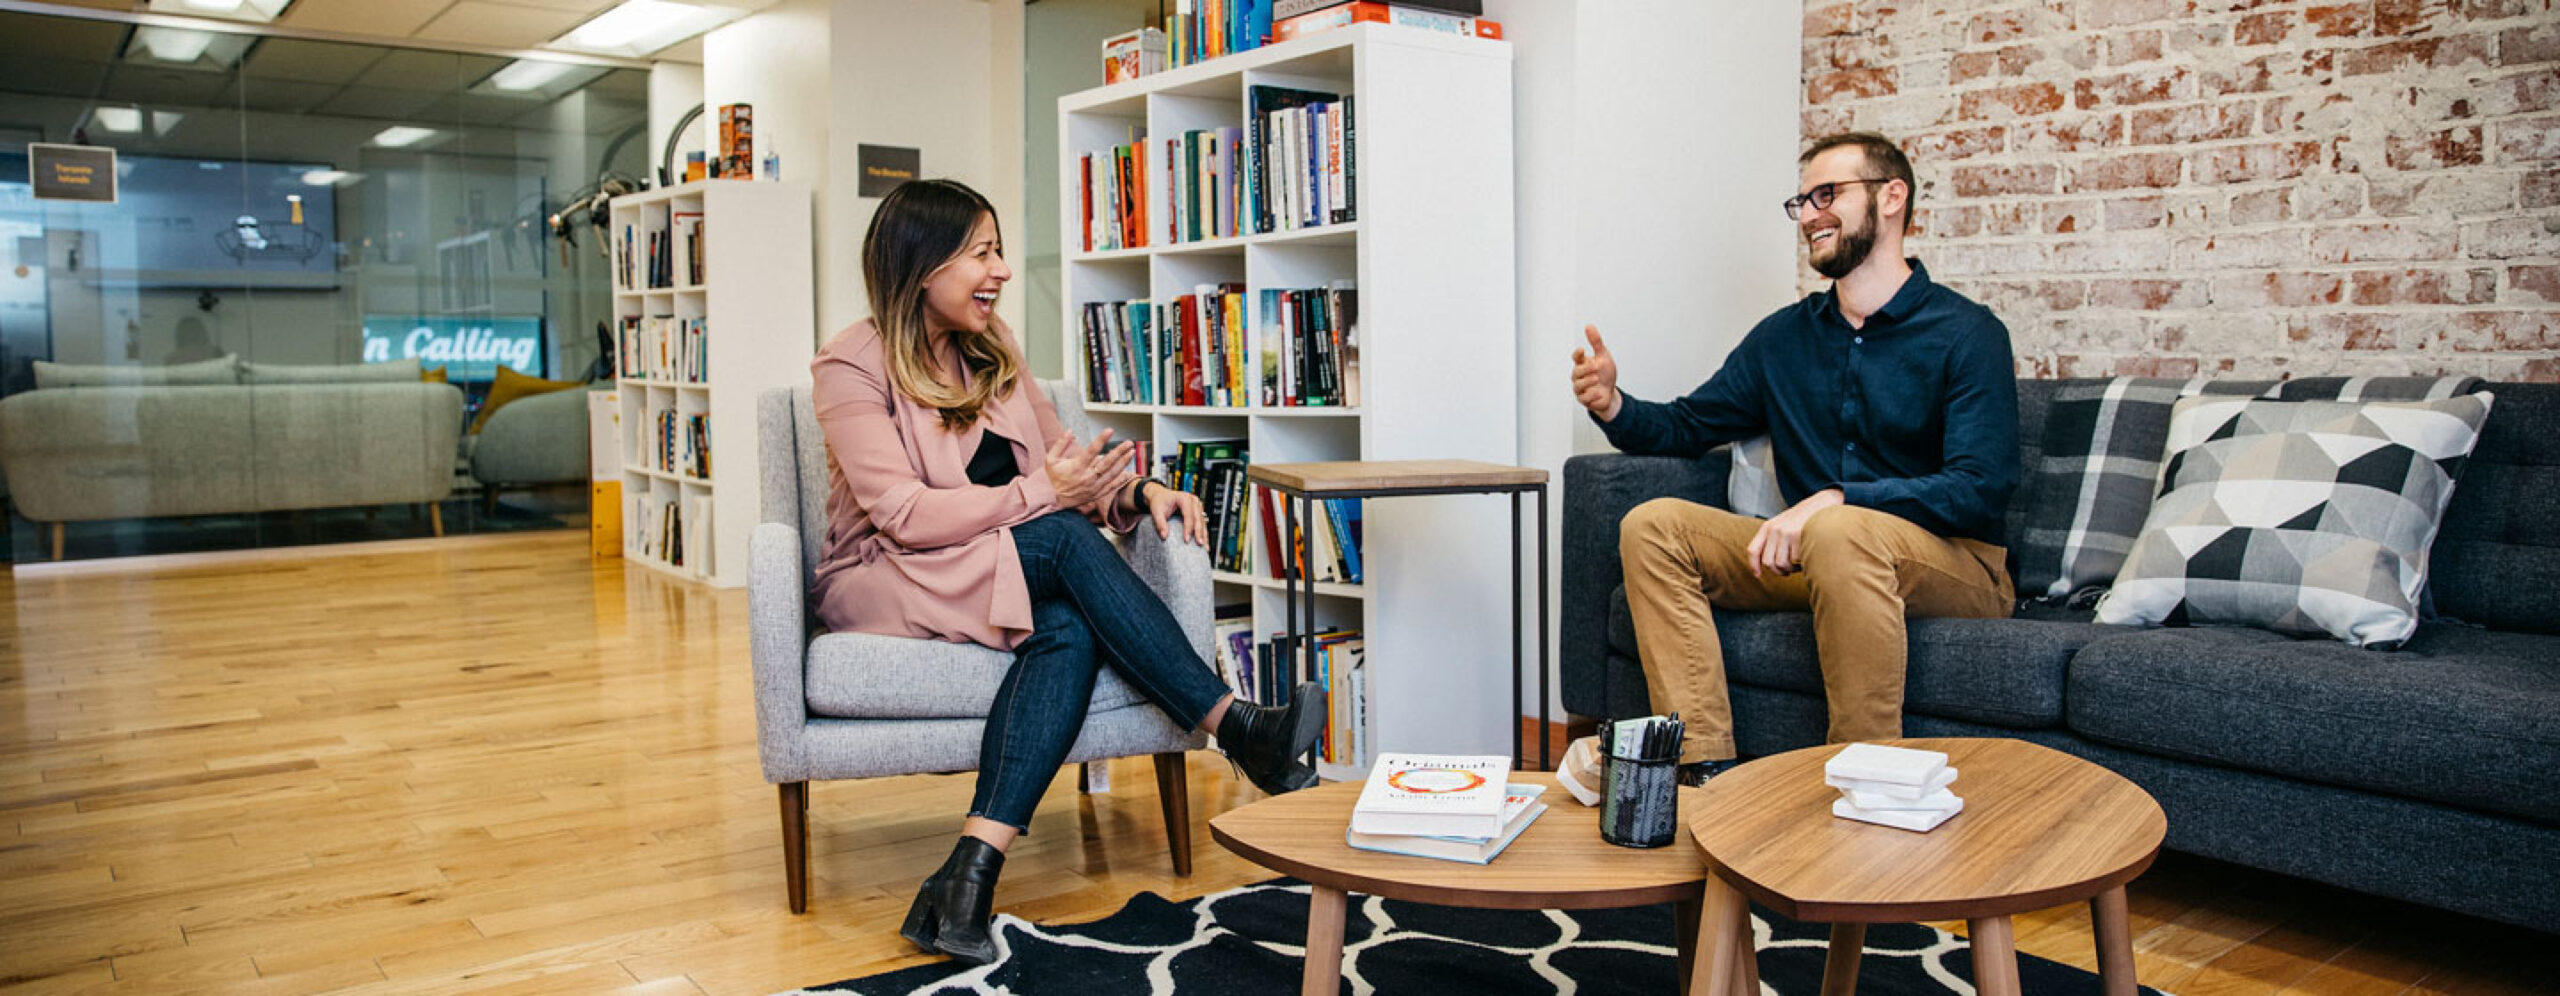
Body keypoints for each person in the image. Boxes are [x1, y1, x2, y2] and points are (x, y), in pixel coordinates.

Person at [809, 179, 1326, 965]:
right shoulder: (851, 364)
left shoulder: (994, 346)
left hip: (994, 562)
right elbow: (904, 515)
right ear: (923, 265)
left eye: (999, 251)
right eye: (982, 253)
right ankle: (1237, 727)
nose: (1003, 271)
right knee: (1056, 538)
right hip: (891, 570)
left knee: (1067, 629)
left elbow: (1066, 467)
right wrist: (1044, 495)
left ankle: (966, 881)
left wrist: (1140, 491)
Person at [1567, 133, 2018, 785]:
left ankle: (1869, 784)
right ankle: (1702, 772)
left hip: (1955, 563)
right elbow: (1690, 424)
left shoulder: (1967, 334)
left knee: (1837, 528)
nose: (1808, 215)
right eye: (1801, 201)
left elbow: (1980, 489)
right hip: (1821, 555)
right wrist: (1612, 404)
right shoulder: (1785, 337)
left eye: (1827, 195)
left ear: (1892, 198)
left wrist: (1839, 501)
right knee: (1655, 526)